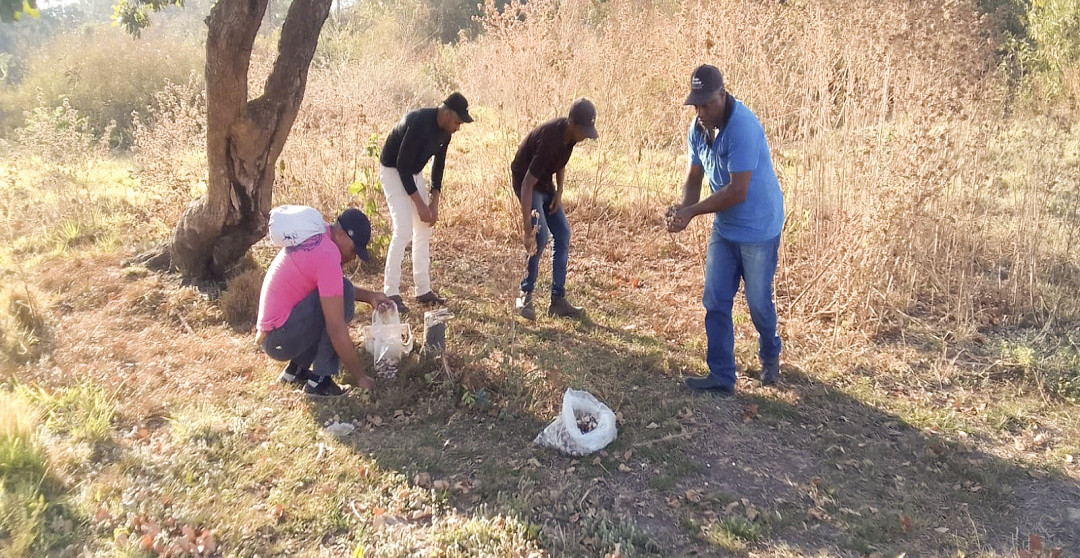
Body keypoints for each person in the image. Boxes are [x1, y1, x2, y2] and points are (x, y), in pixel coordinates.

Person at [667, 65, 785, 394]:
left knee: (758, 303)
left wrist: (693, 211)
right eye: (696, 105)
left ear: (722, 94)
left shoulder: (743, 127)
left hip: (758, 228)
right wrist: (682, 210)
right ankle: (721, 374)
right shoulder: (698, 127)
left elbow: (737, 192)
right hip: (725, 226)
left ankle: (770, 353)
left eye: (706, 104)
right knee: (715, 299)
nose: (701, 111)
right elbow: (694, 177)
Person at [255, 208, 392, 397]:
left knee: (339, 291)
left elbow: (333, 288)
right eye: (354, 250)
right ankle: (320, 381)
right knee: (339, 301)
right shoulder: (327, 254)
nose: (353, 257)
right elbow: (336, 327)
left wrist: (370, 297)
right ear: (341, 234)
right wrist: (360, 377)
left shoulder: (319, 237)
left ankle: (296, 371)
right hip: (281, 338)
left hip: (275, 335)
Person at [379, 92, 473, 314]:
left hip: (414, 173)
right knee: (403, 229)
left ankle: (423, 290)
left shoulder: (446, 134)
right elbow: (401, 165)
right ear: (447, 113)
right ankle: (390, 291)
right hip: (393, 171)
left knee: (424, 229)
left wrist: (434, 202)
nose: (458, 128)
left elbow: (438, 166)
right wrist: (420, 205)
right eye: (458, 122)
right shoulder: (419, 122)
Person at [512, 98, 599, 320]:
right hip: (527, 184)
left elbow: (560, 164)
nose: (585, 137)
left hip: (545, 183)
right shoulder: (550, 138)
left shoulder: (570, 138)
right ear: (572, 123)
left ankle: (557, 300)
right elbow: (527, 184)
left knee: (563, 234)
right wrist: (526, 228)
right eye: (584, 131)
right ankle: (525, 294)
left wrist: (559, 192)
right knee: (539, 238)